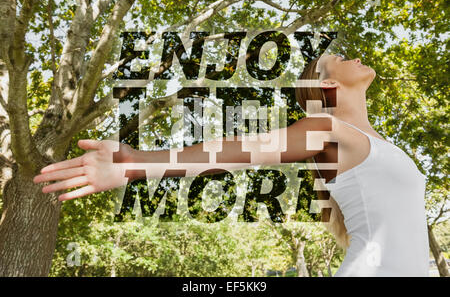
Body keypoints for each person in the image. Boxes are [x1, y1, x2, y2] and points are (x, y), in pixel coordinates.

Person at [33, 54, 430, 277]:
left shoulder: (381, 145)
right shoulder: (328, 129)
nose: (354, 56)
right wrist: (137, 163)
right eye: (339, 58)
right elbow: (238, 150)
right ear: (326, 85)